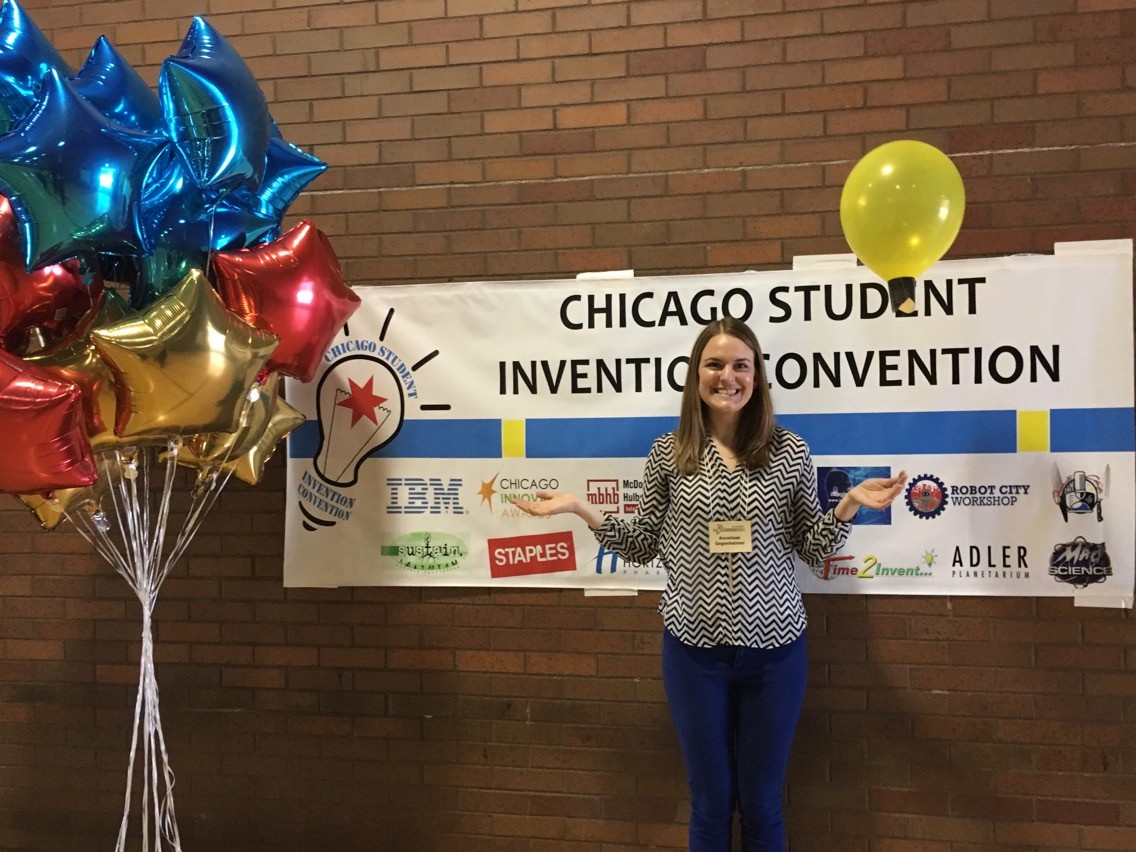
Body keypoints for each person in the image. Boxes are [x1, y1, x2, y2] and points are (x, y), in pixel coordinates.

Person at [511, 317, 906, 852]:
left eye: (741, 365)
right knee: (711, 802)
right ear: (696, 374)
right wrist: (583, 508)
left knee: (762, 803)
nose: (728, 377)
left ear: (757, 376)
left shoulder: (789, 451)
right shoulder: (669, 453)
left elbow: (814, 549)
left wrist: (848, 505)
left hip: (775, 654)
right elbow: (643, 543)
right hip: (694, 656)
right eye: (715, 364)